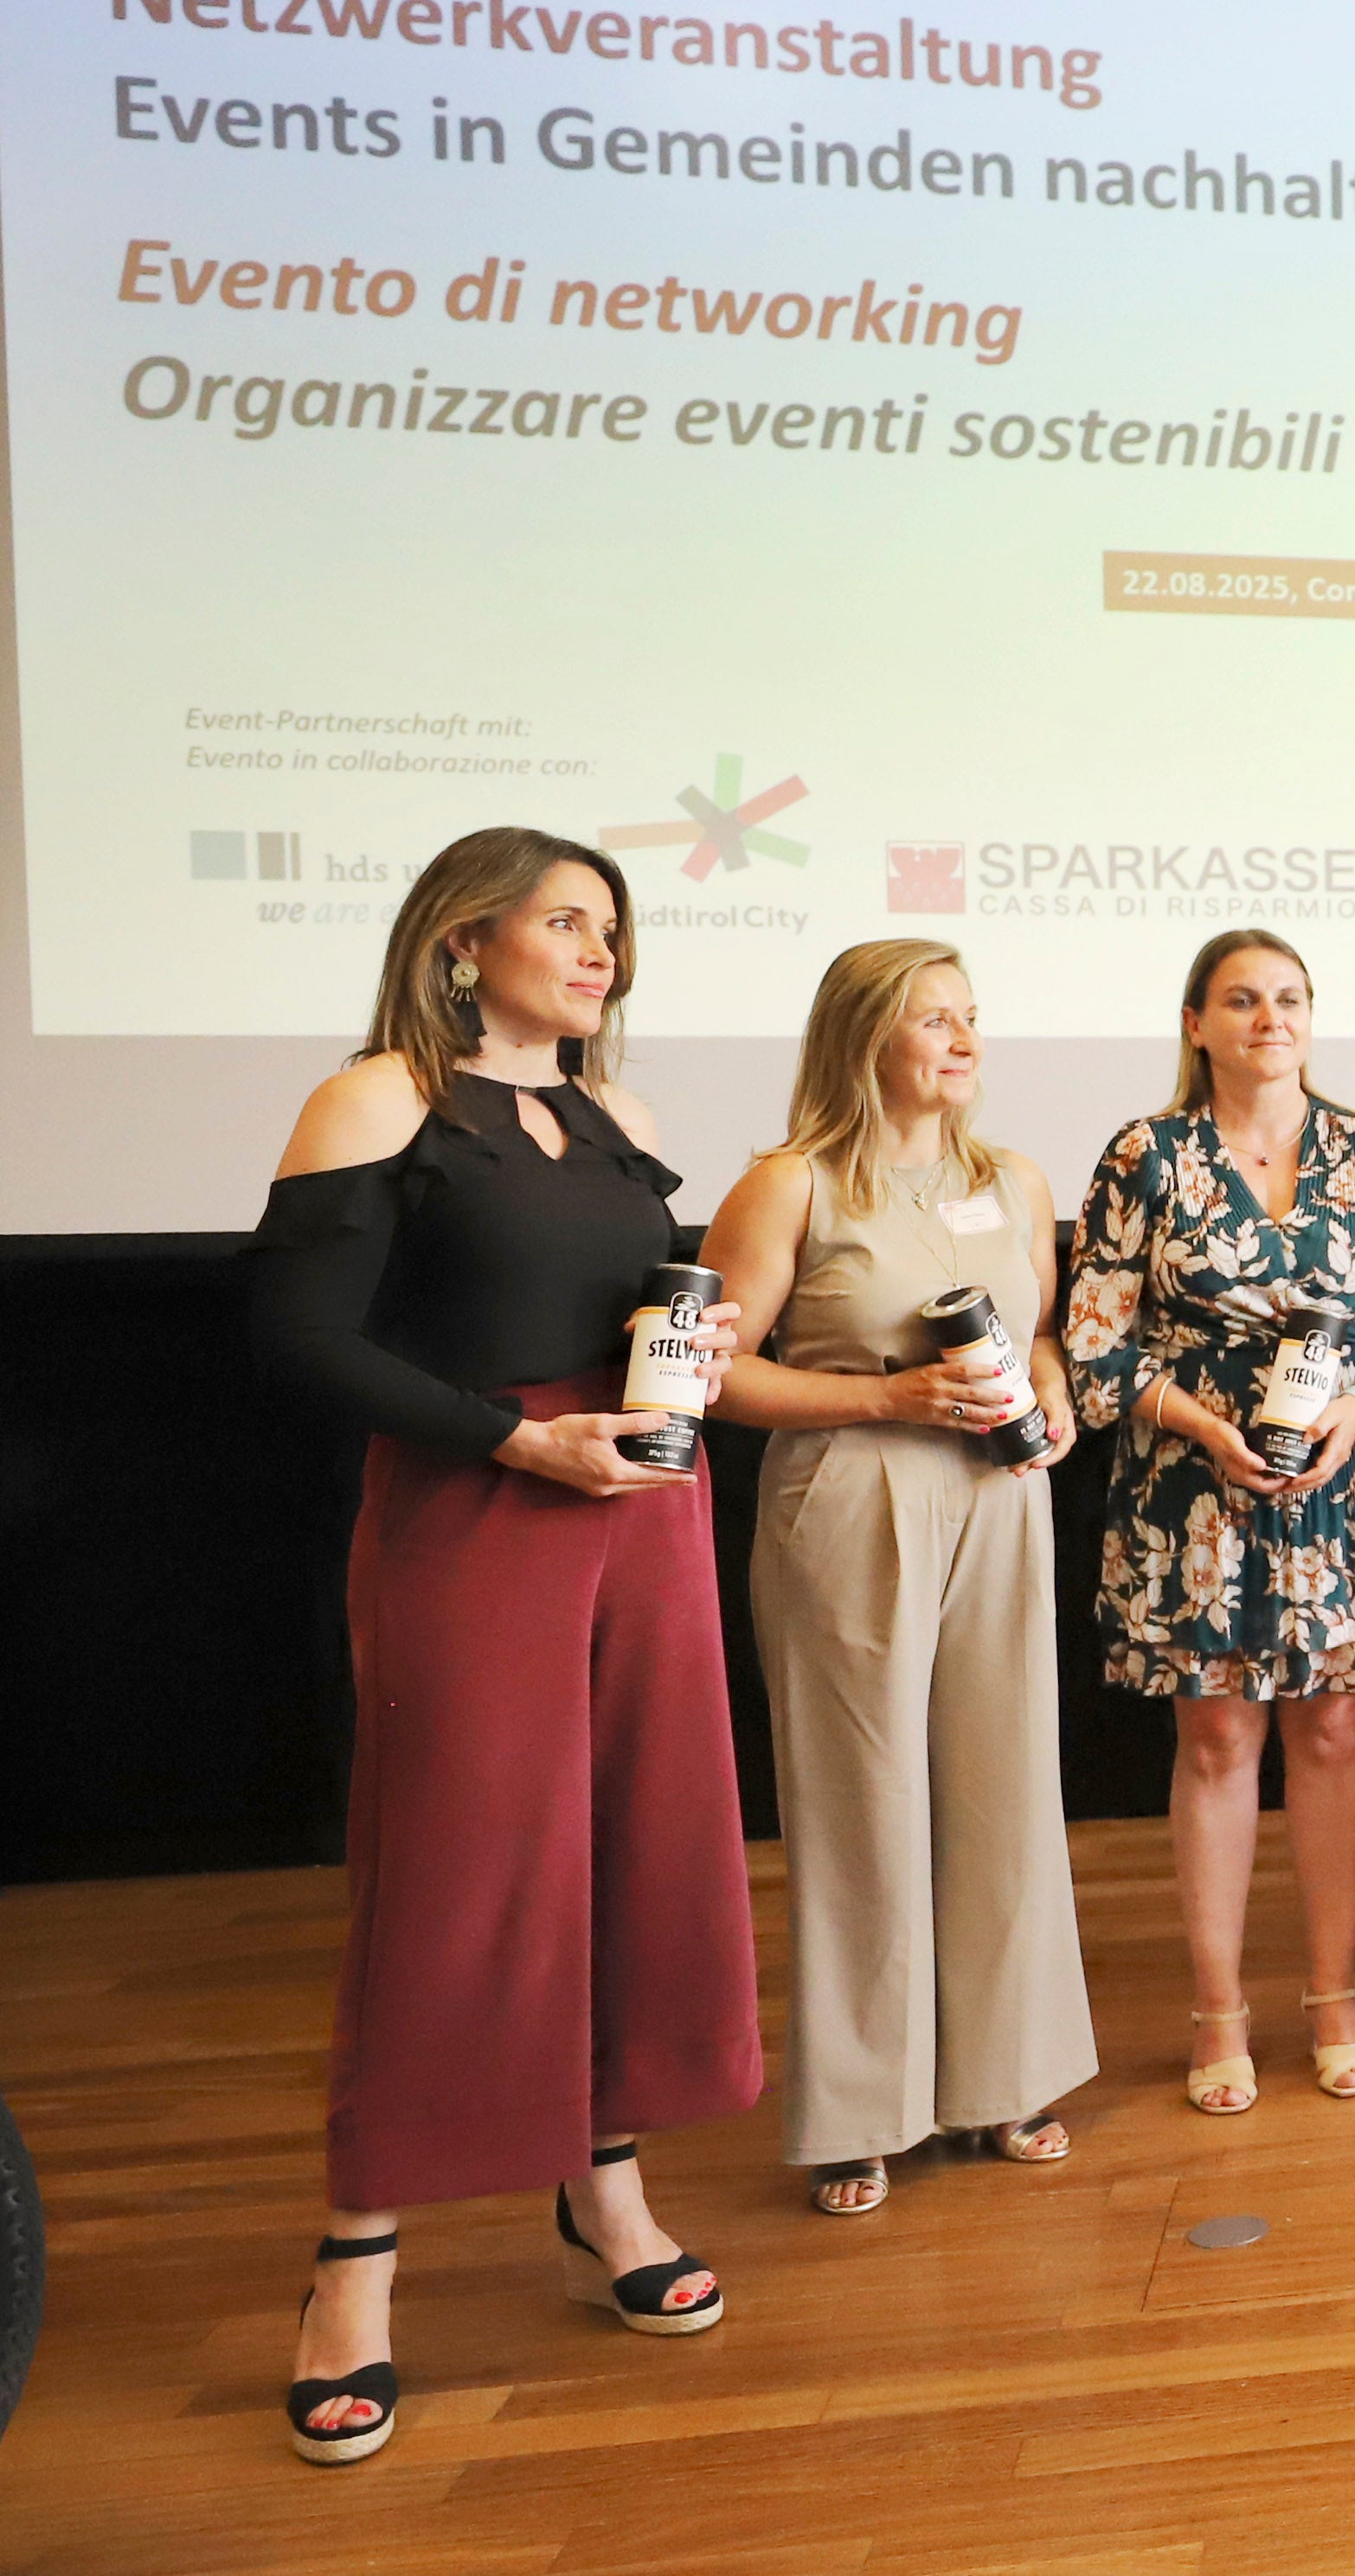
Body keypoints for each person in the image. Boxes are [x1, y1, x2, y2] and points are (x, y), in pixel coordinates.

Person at [250, 830, 761, 2464]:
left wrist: (687, 1342)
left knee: (636, 1853)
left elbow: (635, 1318)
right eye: (565, 919)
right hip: (477, 1512)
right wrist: (511, 1441)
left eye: (611, 925)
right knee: (459, 1872)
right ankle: (358, 2258)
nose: (599, 948)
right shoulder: (383, 1094)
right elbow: (297, 1335)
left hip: (648, 1510)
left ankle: (603, 2192)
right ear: (465, 941)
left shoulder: (626, 1119)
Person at [703, 944, 1095, 2217]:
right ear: (866, 1036)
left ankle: (1005, 2079)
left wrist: (1050, 1392)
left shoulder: (1013, 1178)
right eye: (935, 1019)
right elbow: (713, 1374)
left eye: (972, 1016)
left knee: (1002, 1784)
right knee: (862, 1801)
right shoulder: (790, 1185)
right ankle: (861, 2110)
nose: (964, 1039)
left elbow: (1033, 1329)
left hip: (998, 1496)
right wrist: (892, 1396)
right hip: (851, 1495)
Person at [1065, 929, 1355, 2115]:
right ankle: (1218, 2011)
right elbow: (1091, 1342)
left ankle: (1333, 1997)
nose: (1268, 1017)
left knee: (1333, 1737)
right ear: (1196, 1023)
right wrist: (1199, 1421)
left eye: (1288, 998)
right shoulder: (1145, 1154)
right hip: (1196, 1499)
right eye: (1240, 999)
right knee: (1219, 1746)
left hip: (1345, 1494)